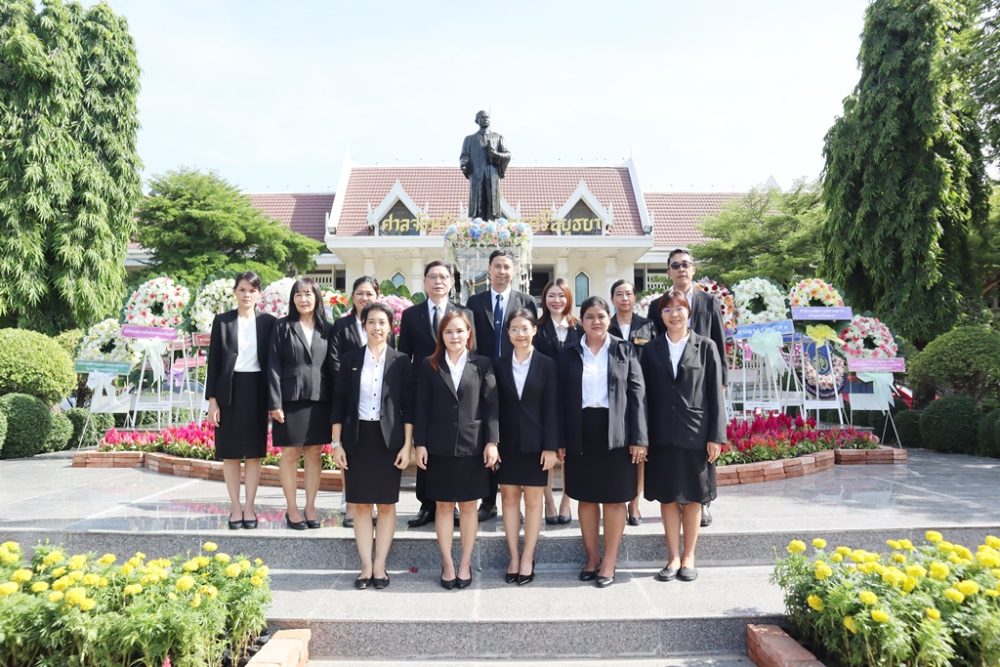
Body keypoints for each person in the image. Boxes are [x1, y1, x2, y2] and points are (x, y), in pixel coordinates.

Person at [558, 296, 647, 588]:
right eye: (589, 316)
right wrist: (560, 439)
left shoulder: (624, 349)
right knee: (585, 497)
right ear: (581, 321)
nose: (596, 321)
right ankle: (592, 557)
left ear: (609, 319)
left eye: (601, 316)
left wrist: (639, 438)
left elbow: (637, 395)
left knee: (614, 498)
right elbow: (559, 399)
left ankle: (609, 560)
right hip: (580, 430)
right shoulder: (569, 352)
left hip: (616, 432)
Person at [641, 290, 726, 583]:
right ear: (660, 316)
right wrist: (642, 437)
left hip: (696, 434)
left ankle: (689, 556)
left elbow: (715, 395)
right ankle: (672, 556)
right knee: (667, 496)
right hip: (661, 434)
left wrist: (716, 436)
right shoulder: (651, 350)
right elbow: (643, 396)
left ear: (689, 312)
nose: (674, 314)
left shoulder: (706, 347)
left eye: (679, 308)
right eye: (667, 310)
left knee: (693, 497)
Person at [413, 310, 499, 590]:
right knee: (444, 505)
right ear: (441, 335)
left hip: (473, 447)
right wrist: (420, 443)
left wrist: (492, 442)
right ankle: (448, 563)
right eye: (448, 331)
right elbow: (421, 407)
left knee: (469, 506)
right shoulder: (430, 364)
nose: (454, 336)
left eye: (460, 330)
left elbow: (491, 406)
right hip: (438, 447)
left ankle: (465, 562)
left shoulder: (482, 364)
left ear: (469, 333)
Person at [331, 303, 413, 590]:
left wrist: (407, 445)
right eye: (371, 322)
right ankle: (366, 566)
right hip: (357, 439)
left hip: (389, 440)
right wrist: (336, 443)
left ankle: (381, 565)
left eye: (382, 322)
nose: (376, 327)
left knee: (387, 505)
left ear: (390, 327)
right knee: (361, 504)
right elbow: (339, 404)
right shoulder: (350, 360)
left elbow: (409, 407)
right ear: (363, 326)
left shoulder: (401, 362)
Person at [644, 249, 727, 527]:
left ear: (693, 269)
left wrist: (722, 381)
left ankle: (703, 503)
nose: (681, 269)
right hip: (672, 388)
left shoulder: (709, 301)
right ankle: (678, 500)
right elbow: (656, 342)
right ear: (669, 271)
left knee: (701, 456)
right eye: (675, 265)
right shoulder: (658, 305)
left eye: (685, 264)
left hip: (702, 381)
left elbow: (719, 342)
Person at [398, 260, 476, 528]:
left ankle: (453, 502)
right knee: (426, 445)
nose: (438, 281)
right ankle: (427, 504)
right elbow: (404, 355)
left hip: (456, 391)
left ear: (451, 282)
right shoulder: (411, 315)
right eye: (433, 277)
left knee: (454, 447)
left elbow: (472, 351)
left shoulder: (464, 313)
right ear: (424, 281)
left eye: (444, 277)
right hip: (424, 390)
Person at [466, 249, 536, 521]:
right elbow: (471, 341)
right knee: (488, 436)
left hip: (515, 376)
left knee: (512, 435)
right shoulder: (475, 301)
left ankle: (514, 499)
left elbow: (530, 339)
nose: (502, 271)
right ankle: (488, 501)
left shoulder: (526, 301)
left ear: (514, 270)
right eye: (497, 266)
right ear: (489, 269)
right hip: (482, 377)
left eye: (507, 266)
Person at [205, 271, 276, 530]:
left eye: (252, 290)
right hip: (229, 391)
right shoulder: (222, 321)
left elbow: (274, 362)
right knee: (231, 453)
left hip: (257, 390)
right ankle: (235, 507)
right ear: (235, 292)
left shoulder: (268, 322)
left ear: (259, 294)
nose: (247, 294)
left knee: (254, 454)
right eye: (242, 289)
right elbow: (214, 362)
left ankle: (249, 507)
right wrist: (213, 400)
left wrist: (274, 400)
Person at [493, 309, 559, 585]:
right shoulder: (498, 364)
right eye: (514, 329)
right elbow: (492, 406)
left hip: (537, 444)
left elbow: (552, 408)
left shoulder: (547, 365)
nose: (520, 334)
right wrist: (492, 442)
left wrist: (551, 447)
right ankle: (513, 556)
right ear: (507, 333)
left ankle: (528, 556)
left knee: (533, 501)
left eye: (524, 328)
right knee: (508, 498)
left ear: (534, 330)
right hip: (507, 443)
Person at [267, 277, 337, 530]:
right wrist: (274, 403)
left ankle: (310, 507)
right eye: (298, 294)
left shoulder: (327, 328)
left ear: (317, 297)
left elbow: (333, 366)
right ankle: (292, 508)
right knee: (290, 453)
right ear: (292, 299)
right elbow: (273, 365)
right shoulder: (282, 326)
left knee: (314, 453)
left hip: (320, 399)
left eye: (308, 294)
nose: (303, 299)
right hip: (290, 399)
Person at [331, 275, 394, 528]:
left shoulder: (383, 324)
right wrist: (350, 383)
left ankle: (374, 503)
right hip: (350, 395)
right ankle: (350, 502)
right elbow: (335, 359)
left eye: (369, 293)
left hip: (378, 405)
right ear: (352, 296)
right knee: (351, 455)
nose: (364, 297)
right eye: (360, 293)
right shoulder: (342, 325)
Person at [533, 279, 582, 525]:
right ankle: (548, 501)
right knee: (547, 450)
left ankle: (566, 500)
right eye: (551, 295)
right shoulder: (537, 328)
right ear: (544, 299)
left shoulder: (579, 327)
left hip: (574, 398)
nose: (557, 300)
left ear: (569, 299)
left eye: (561, 296)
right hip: (544, 397)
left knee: (571, 452)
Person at [608, 278, 657, 527]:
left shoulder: (647, 326)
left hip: (642, 395)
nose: (624, 298)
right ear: (612, 299)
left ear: (635, 297)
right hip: (614, 396)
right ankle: (618, 497)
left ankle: (634, 503)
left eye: (628, 293)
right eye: (619, 294)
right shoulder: (606, 326)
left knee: (640, 450)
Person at [459, 110, 511, 221]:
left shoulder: (498, 138)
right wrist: (464, 164)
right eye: (482, 117)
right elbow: (464, 156)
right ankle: (477, 226)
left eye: (487, 117)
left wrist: (496, 155)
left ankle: (492, 226)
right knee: (477, 207)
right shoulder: (469, 140)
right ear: (477, 120)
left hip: (492, 175)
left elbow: (507, 155)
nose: (485, 119)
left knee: (492, 206)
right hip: (476, 176)